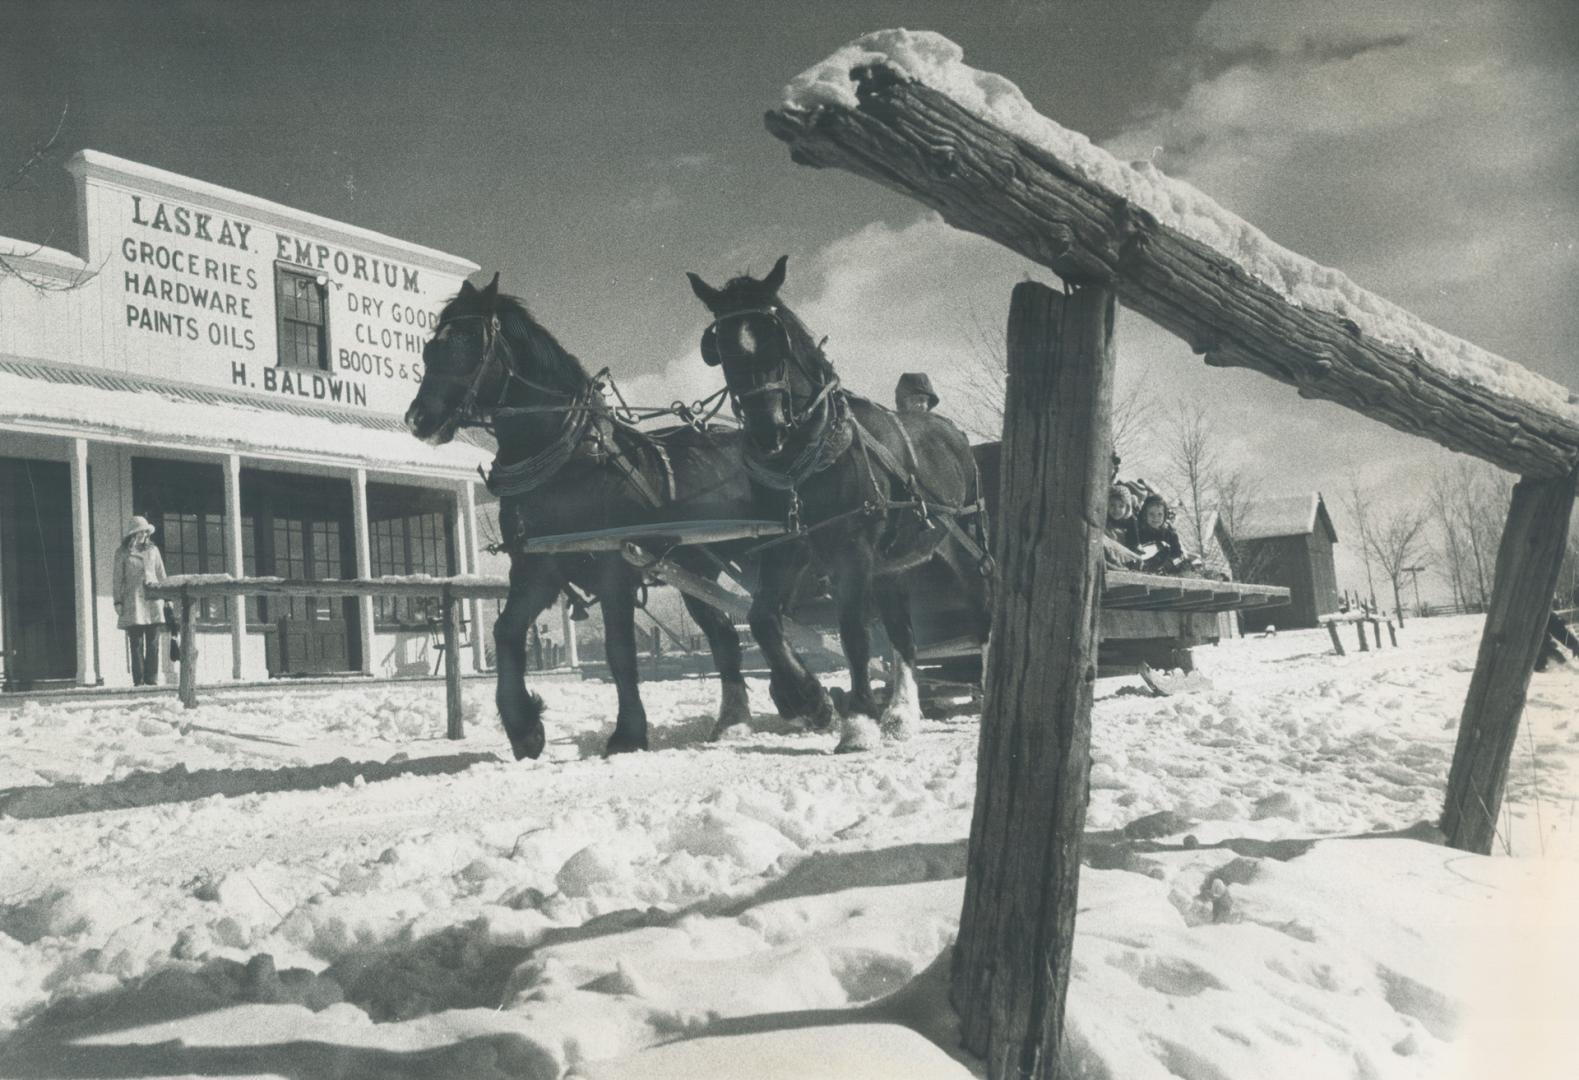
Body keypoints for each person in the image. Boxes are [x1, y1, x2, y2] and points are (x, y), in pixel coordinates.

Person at [113, 515, 167, 686]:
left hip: (153, 600)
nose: (143, 535)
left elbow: (161, 574)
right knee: (136, 642)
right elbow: (117, 579)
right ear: (133, 533)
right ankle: (139, 681)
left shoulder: (153, 550)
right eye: (140, 532)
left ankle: (151, 679)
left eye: (145, 531)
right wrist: (118, 601)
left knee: (153, 642)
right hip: (133, 601)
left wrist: (167, 597)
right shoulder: (122, 553)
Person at [1135, 493, 1187, 573]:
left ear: (1164, 515)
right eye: (1151, 514)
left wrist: (1169, 564)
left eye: (1159, 514)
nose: (1156, 518)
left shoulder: (1169, 533)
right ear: (1145, 515)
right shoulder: (1139, 531)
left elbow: (1178, 555)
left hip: (1165, 567)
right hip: (1144, 566)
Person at [1104, 485, 1142, 568]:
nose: (1116, 509)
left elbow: (1134, 543)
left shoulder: (1131, 521)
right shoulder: (1105, 518)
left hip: (1124, 552)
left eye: (1121, 506)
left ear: (1127, 507)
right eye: (1112, 505)